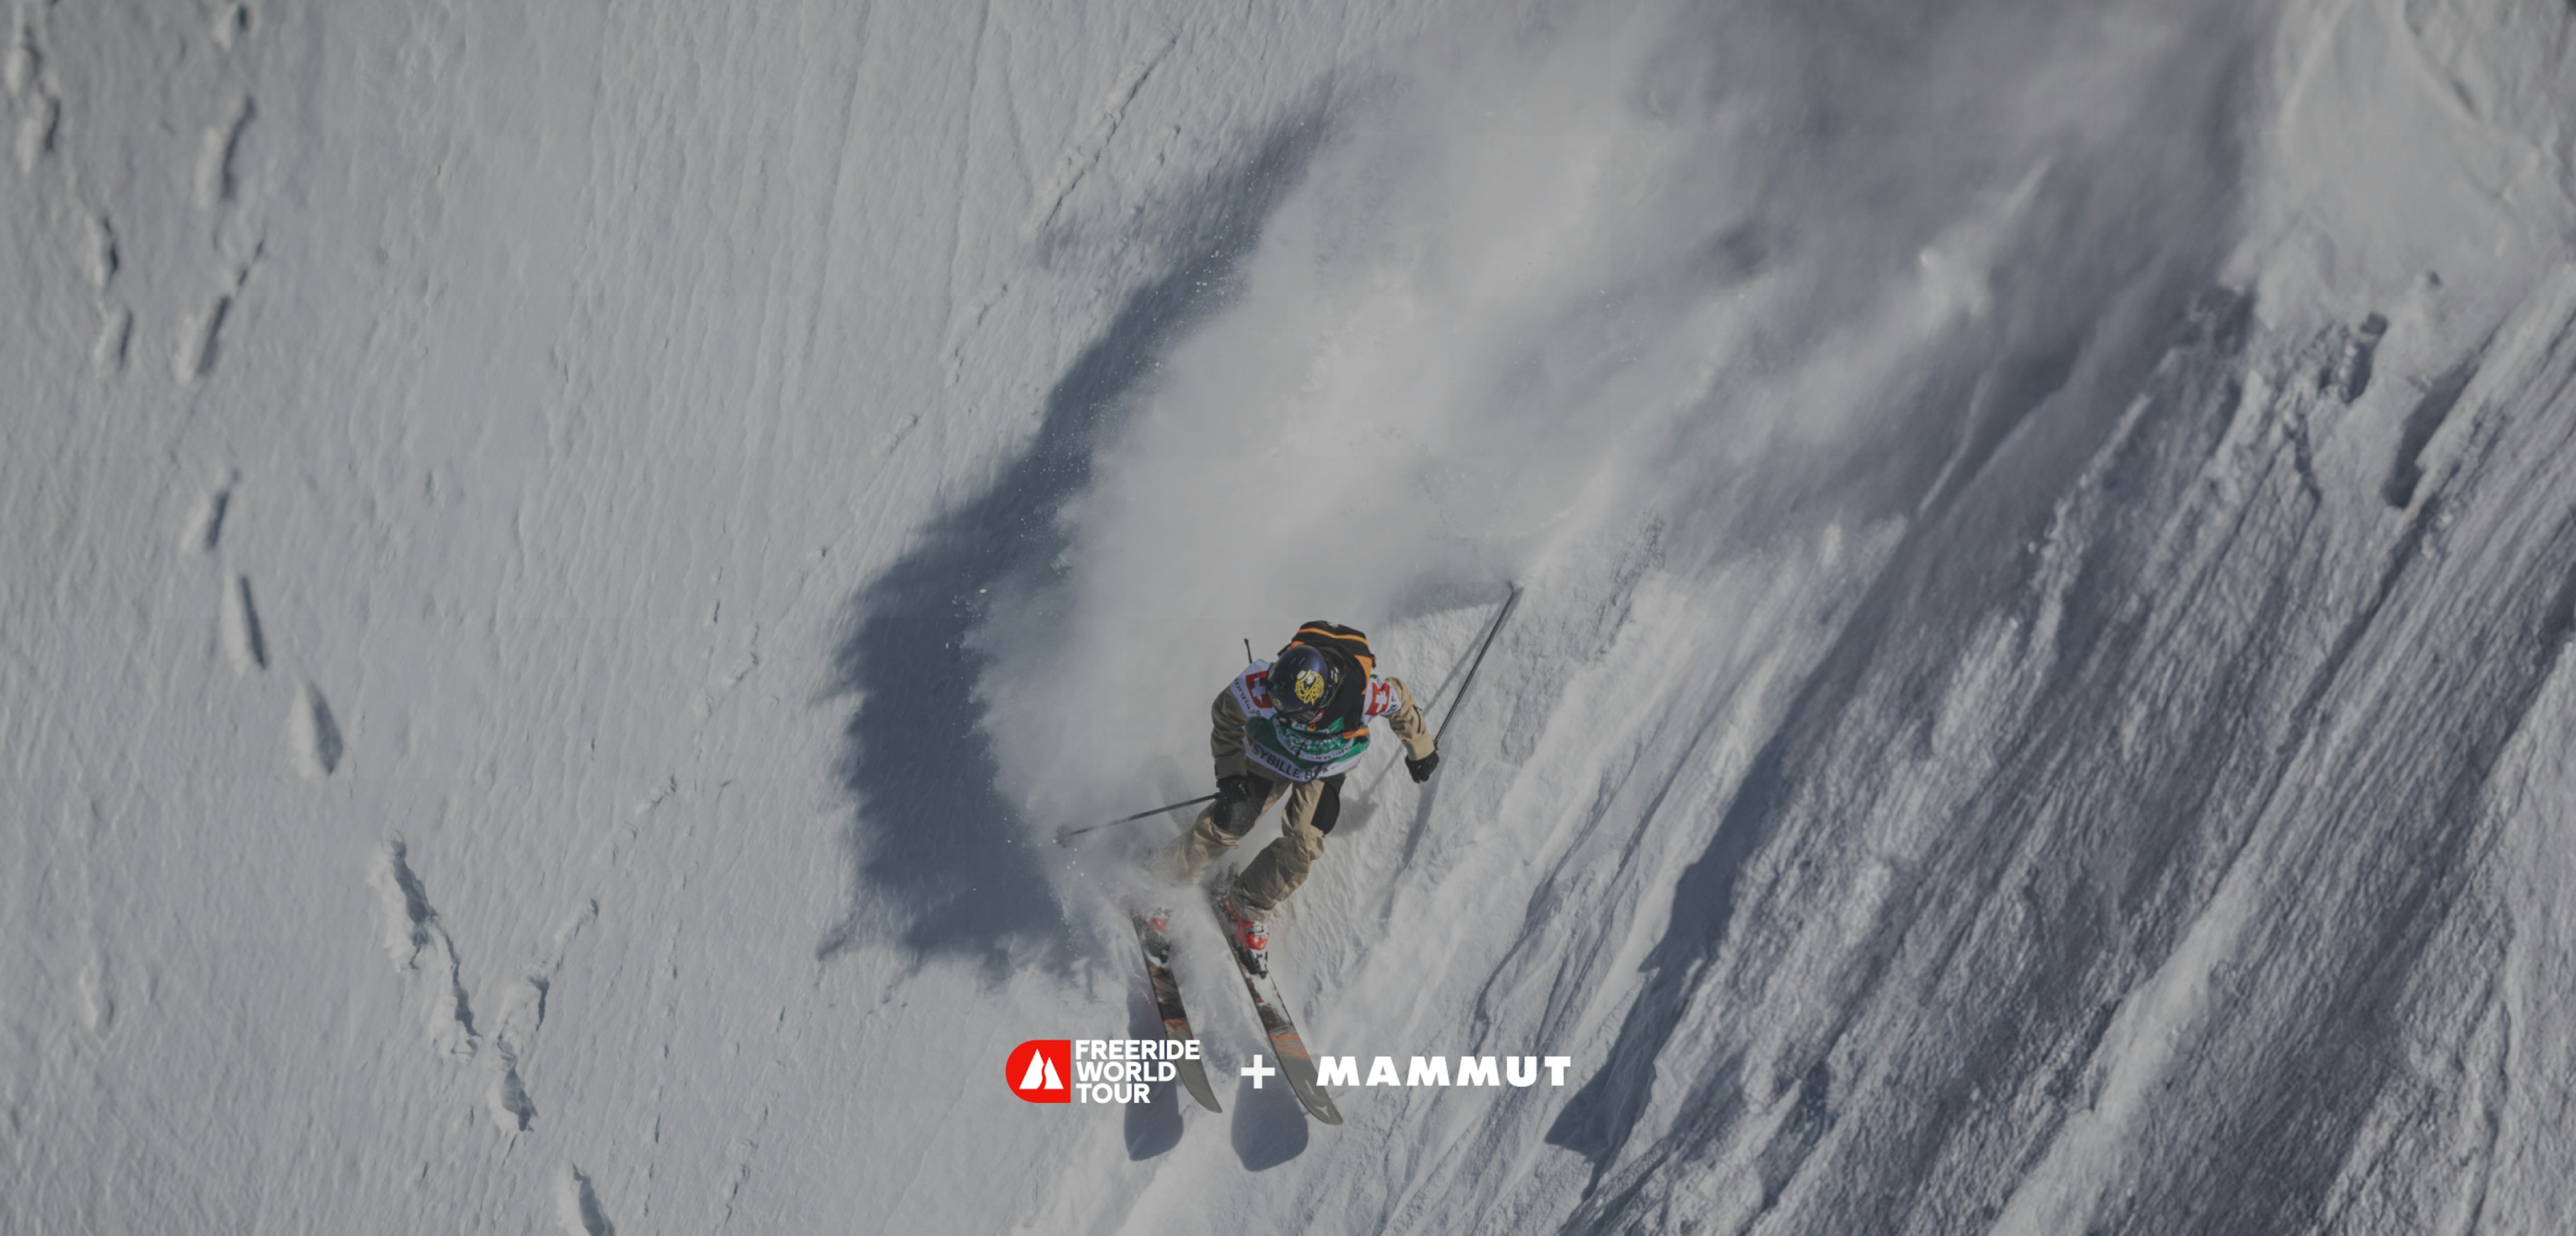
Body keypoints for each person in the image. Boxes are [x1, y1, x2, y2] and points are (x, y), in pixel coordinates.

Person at [1161, 621, 1438, 971]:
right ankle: (1163, 881)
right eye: (1282, 708)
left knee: (1304, 844)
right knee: (1230, 821)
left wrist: (1422, 751)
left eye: (1303, 714)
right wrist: (1231, 772)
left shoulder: (1367, 694)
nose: (1293, 718)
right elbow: (1226, 716)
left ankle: (1247, 904)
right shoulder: (1260, 684)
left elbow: (1403, 703)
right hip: (1267, 754)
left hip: (1325, 767)